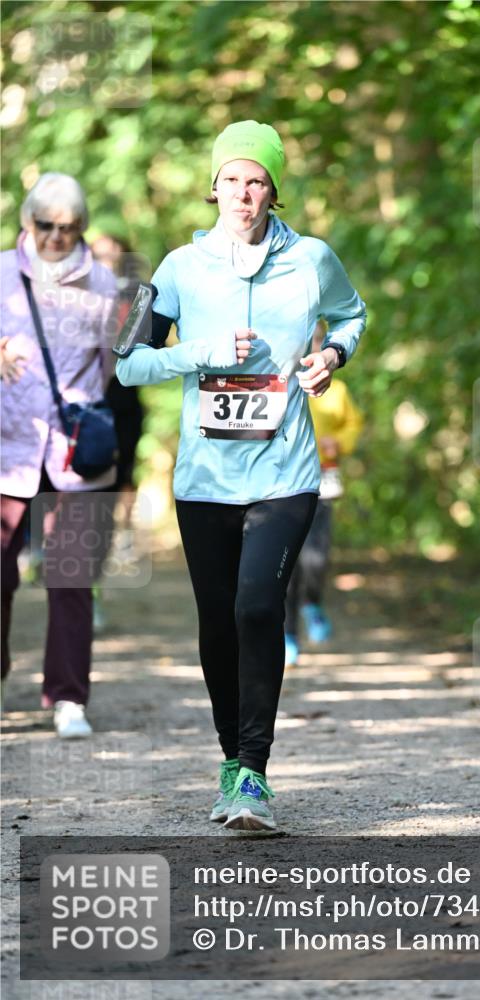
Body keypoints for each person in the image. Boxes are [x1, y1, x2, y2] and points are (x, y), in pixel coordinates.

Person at [116, 120, 365, 831]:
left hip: (286, 470)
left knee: (258, 606)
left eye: (256, 180)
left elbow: (352, 315)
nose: (242, 193)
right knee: (219, 622)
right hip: (203, 480)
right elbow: (127, 362)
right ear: (214, 187)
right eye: (230, 179)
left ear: (274, 191)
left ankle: (253, 772)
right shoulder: (176, 268)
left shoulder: (313, 258)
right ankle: (231, 758)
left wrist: (332, 357)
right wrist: (199, 351)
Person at [0, 173, 118, 737]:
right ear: (28, 222)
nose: (54, 237)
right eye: (44, 225)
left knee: (71, 579)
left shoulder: (104, 283)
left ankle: (69, 697)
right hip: (8, 444)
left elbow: (115, 369)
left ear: (81, 228)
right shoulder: (0, 272)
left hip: (76, 451)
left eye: (67, 228)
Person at [284, 321, 363, 666]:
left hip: (323, 479)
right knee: (285, 563)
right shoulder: (278, 384)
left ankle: (312, 602)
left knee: (316, 557)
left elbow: (354, 425)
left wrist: (339, 443)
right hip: (283, 481)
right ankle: (287, 634)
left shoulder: (338, 391)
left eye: (315, 340)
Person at [91, 236, 146, 631]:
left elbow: (148, 345)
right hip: (85, 408)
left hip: (125, 405)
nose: (104, 260)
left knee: (113, 490)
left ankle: (91, 581)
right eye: (97, 254)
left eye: (111, 252)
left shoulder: (138, 295)